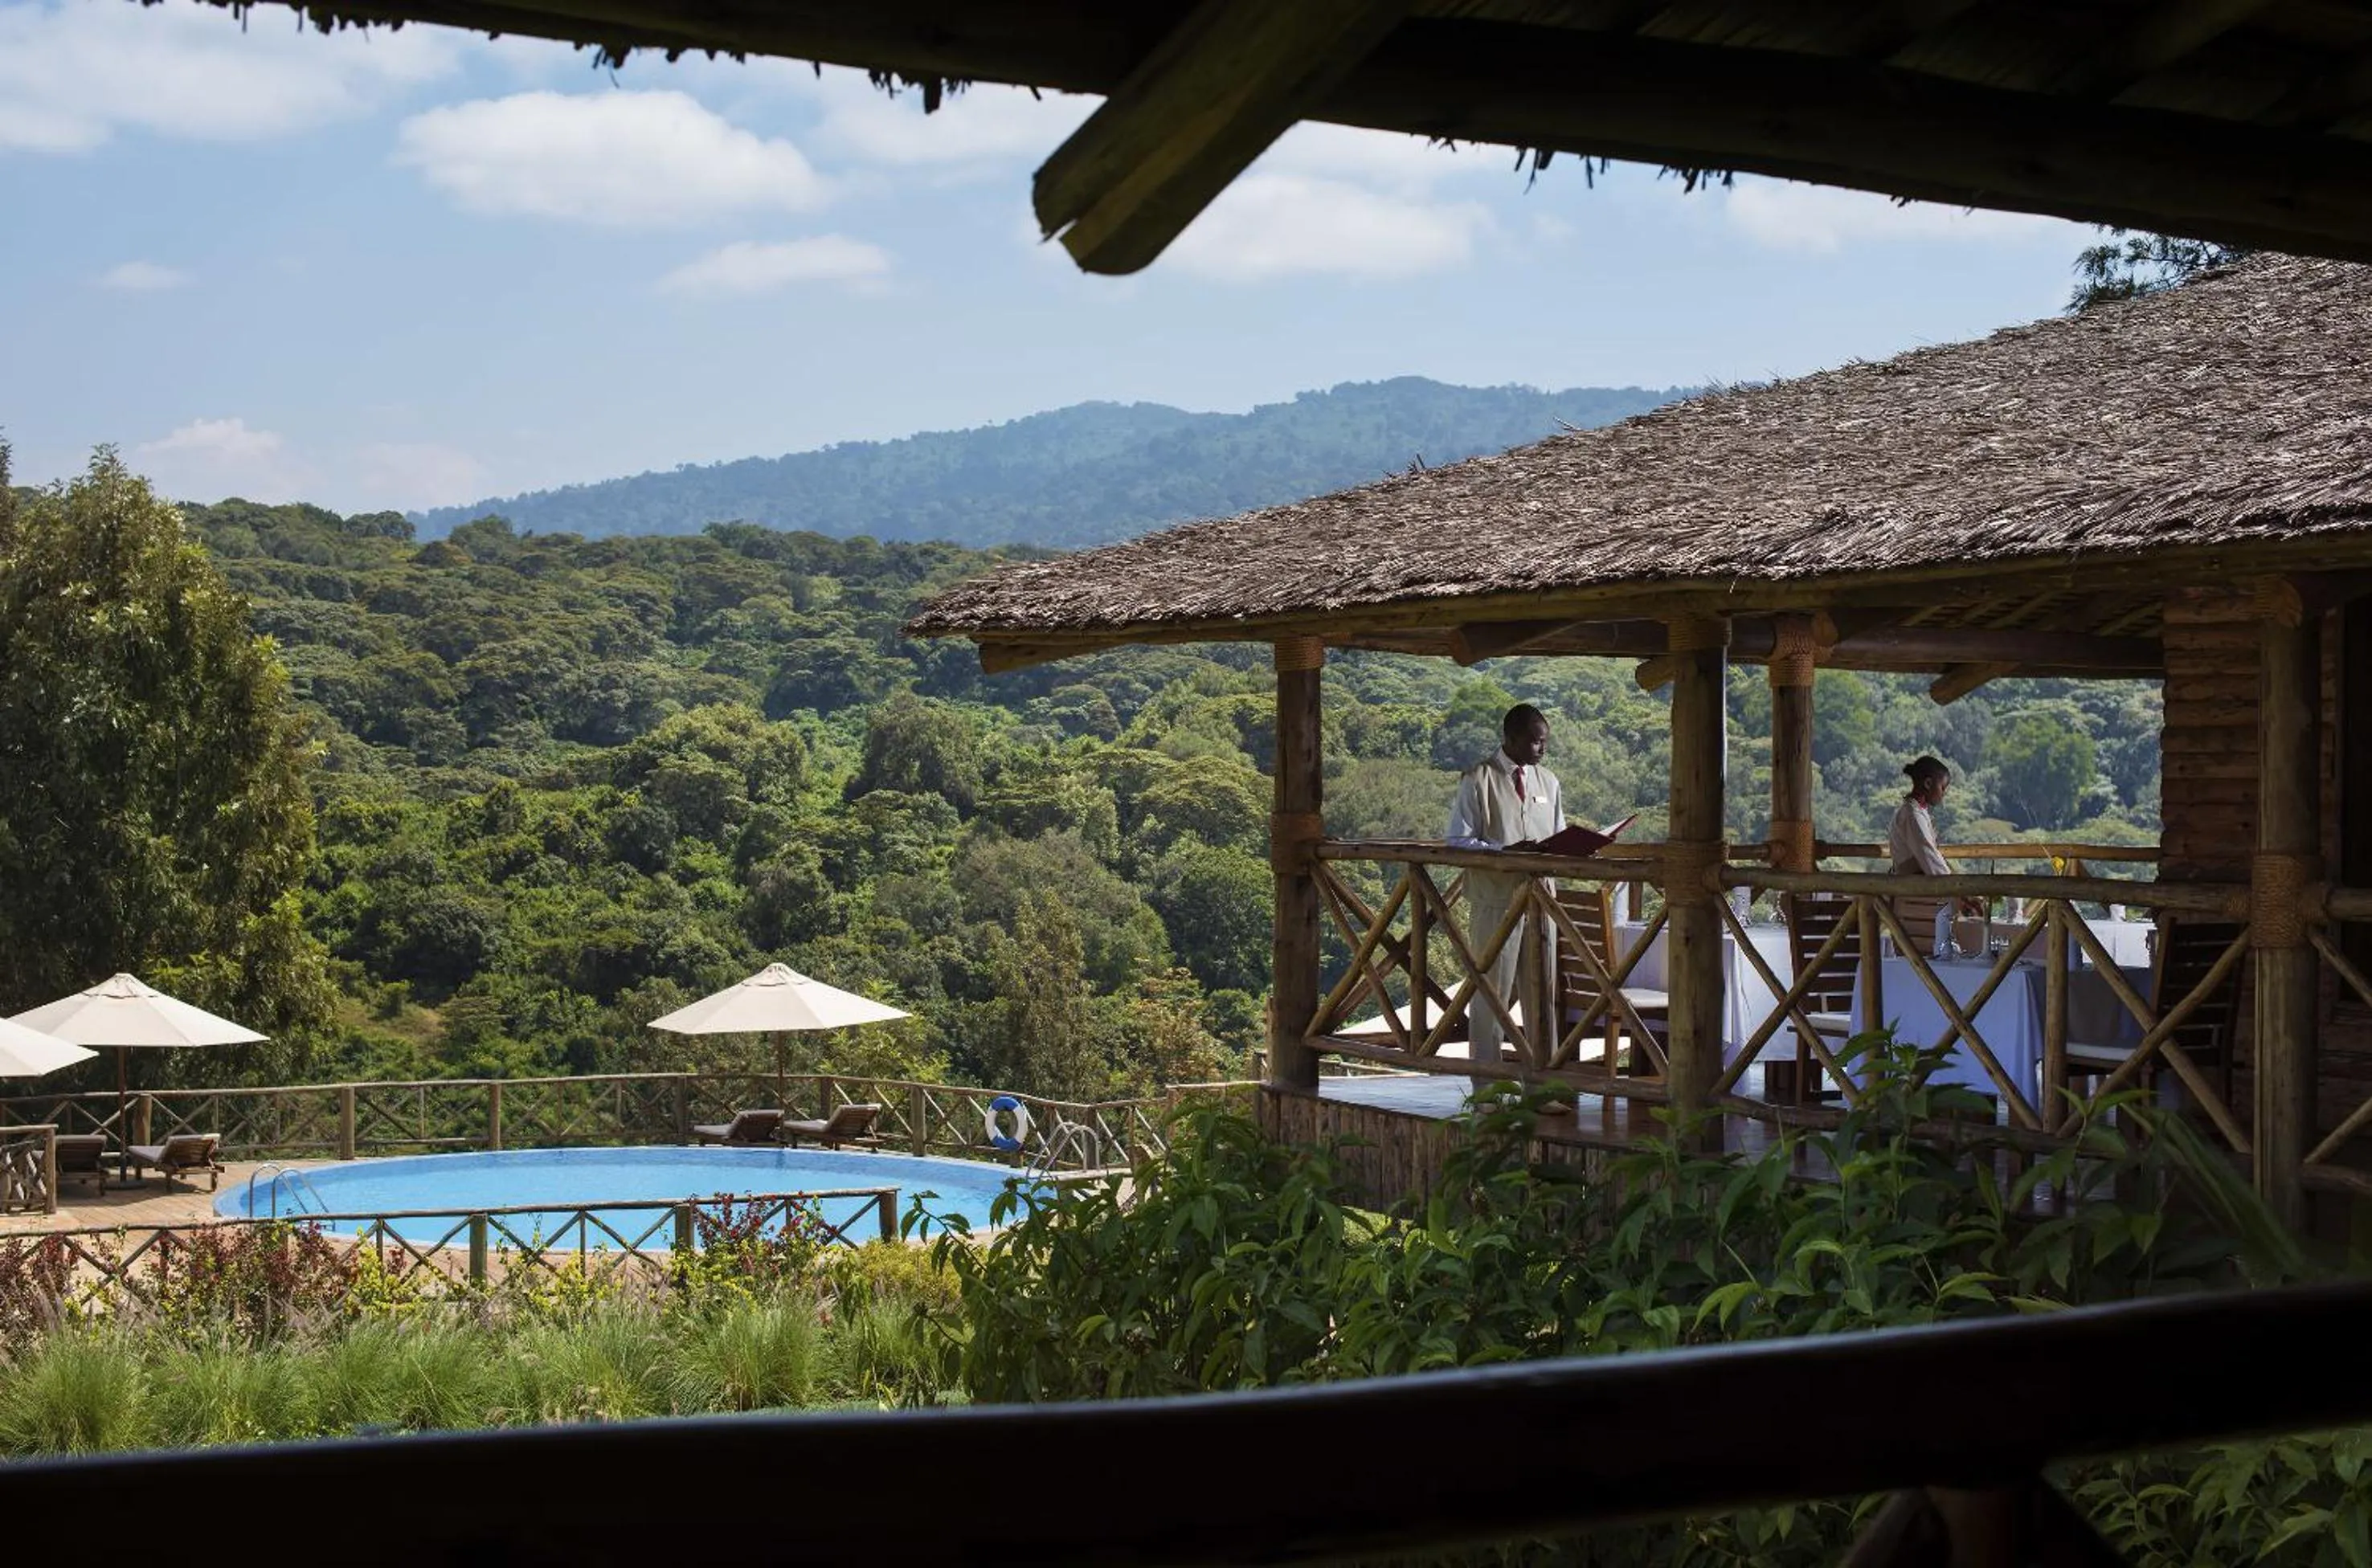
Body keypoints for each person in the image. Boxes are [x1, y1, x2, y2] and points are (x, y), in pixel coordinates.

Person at [1445, 704, 1564, 1082]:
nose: (1541, 749)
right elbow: (1457, 841)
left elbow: (1557, 838)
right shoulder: (1478, 779)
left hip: (1542, 902)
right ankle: (1487, 1089)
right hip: (1495, 902)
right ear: (1510, 737)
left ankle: (1542, 1086)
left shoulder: (1549, 782)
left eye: (1544, 742)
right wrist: (1503, 853)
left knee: (1541, 997)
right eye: (1534, 741)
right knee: (1491, 993)